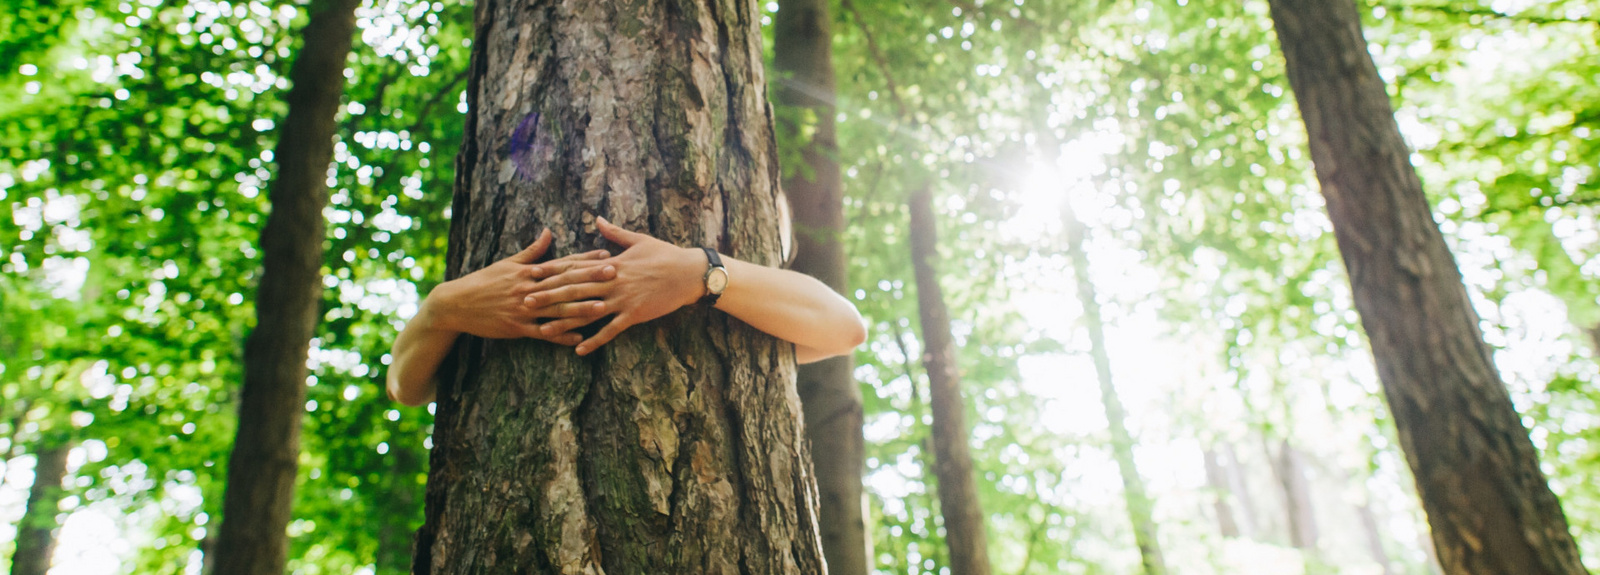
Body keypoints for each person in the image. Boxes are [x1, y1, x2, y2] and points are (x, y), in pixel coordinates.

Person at [387, 216, 867, 406]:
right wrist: (441, 308)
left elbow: (844, 329)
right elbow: (407, 388)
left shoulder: (767, 306)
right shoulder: (466, 300)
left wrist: (699, 271)